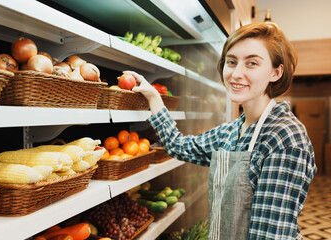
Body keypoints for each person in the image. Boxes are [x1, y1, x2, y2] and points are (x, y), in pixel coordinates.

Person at [127, 22, 317, 240]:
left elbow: (268, 236)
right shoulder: (232, 130)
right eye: (231, 62)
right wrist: (154, 98)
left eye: (252, 63)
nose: (236, 73)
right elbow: (178, 146)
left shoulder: (284, 138)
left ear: (276, 72)